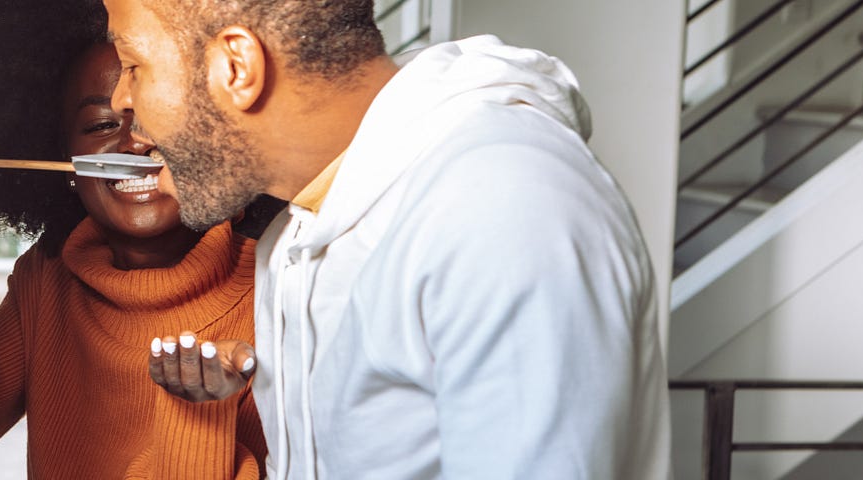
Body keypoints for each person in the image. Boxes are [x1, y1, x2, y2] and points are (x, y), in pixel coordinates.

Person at [101, 0, 672, 478]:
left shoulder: (502, 203)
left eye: (132, 65)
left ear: (236, 66)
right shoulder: (296, 233)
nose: (121, 101)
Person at [0, 0, 267, 477]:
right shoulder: (50, 280)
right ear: (63, 157)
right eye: (100, 125)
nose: (134, 144)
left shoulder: (277, 285)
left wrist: (197, 412)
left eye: (160, 111)